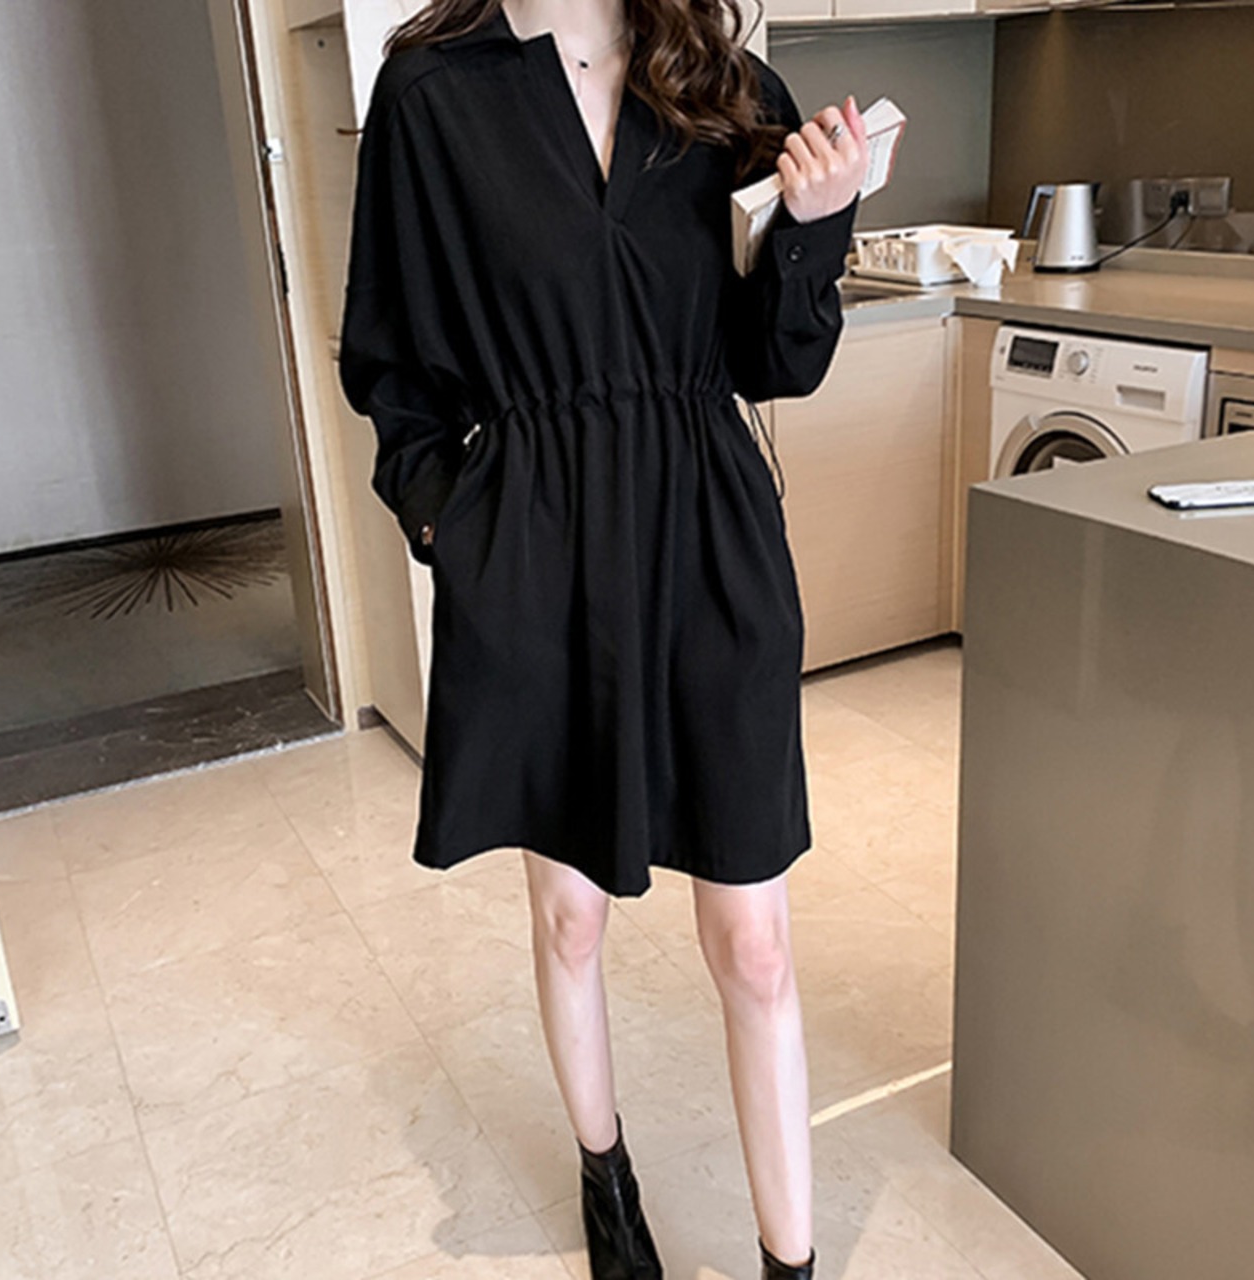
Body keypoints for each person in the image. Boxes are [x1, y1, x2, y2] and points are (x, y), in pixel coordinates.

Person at [338, 0, 867, 1274]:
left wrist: (815, 222)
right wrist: (453, 527)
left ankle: (788, 1260)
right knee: (570, 913)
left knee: (754, 938)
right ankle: (605, 1176)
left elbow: (775, 362)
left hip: (710, 541)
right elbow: (391, 360)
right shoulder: (430, 93)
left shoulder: (729, 86)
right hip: (536, 554)